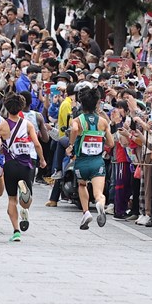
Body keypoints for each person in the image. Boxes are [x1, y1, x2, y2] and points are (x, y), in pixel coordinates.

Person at [0, 94, 47, 242]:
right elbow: (37, 144)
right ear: (21, 108)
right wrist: (43, 160)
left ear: (6, 108)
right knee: (27, 199)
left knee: (11, 199)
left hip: (10, 164)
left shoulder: (2, 125)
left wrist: (0, 148)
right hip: (26, 164)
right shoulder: (28, 124)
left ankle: (16, 231)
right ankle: (25, 209)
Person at [66, 86, 113, 230]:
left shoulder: (77, 120)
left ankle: (86, 212)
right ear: (97, 103)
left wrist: (71, 144)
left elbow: (74, 129)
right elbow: (111, 143)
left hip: (81, 161)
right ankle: (99, 203)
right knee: (99, 193)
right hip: (97, 161)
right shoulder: (103, 122)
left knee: (82, 184)